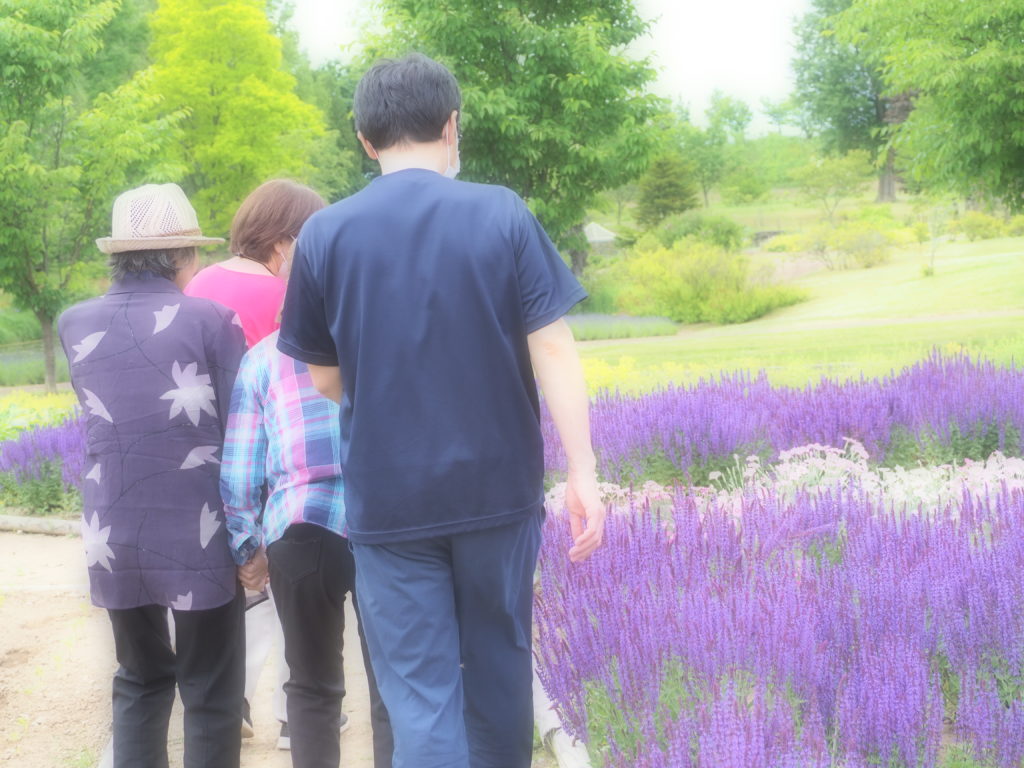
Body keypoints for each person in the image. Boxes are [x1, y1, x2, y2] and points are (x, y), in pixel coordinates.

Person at [278, 53, 607, 768]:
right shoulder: (502, 212)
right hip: (498, 492)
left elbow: (323, 376)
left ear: (365, 140)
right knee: (500, 673)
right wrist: (582, 469)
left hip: (389, 499)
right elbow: (553, 347)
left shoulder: (326, 234)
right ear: (452, 125)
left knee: (420, 698)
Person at [58, 183, 247, 768]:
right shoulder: (213, 320)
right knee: (210, 688)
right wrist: (252, 538)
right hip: (200, 525)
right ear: (183, 255)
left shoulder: (74, 322)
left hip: (114, 526)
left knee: (138, 677)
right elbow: (240, 433)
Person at [186, 178, 327, 748]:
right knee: (285, 593)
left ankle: (232, 696)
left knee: (238, 591)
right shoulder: (283, 293)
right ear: (284, 240)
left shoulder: (198, 283)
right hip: (272, 457)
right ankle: (294, 714)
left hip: (209, 454)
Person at [221, 329, 394, 768]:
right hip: (382, 521)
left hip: (299, 524)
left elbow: (240, 467)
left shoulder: (263, 357)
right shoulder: (378, 331)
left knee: (311, 685)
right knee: (393, 680)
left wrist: (246, 546)